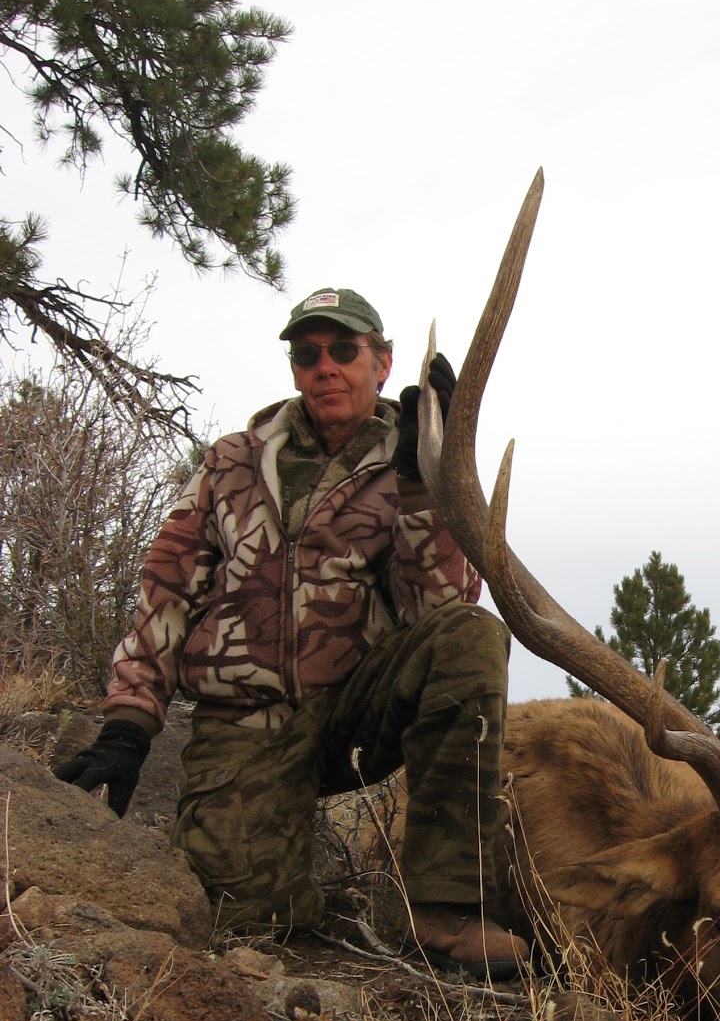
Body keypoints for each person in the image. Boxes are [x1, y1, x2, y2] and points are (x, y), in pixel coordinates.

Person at [55, 286, 529, 979]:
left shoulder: (413, 463)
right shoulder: (232, 462)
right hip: (243, 722)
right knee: (250, 922)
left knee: (470, 635)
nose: (325, 367)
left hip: (354, 712)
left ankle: (446, 910)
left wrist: (425, 484)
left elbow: (440, 608)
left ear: (382, 362)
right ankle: (285, 876)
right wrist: (129, 724)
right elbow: (167, 588)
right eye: (307, 354)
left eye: (344, 351)